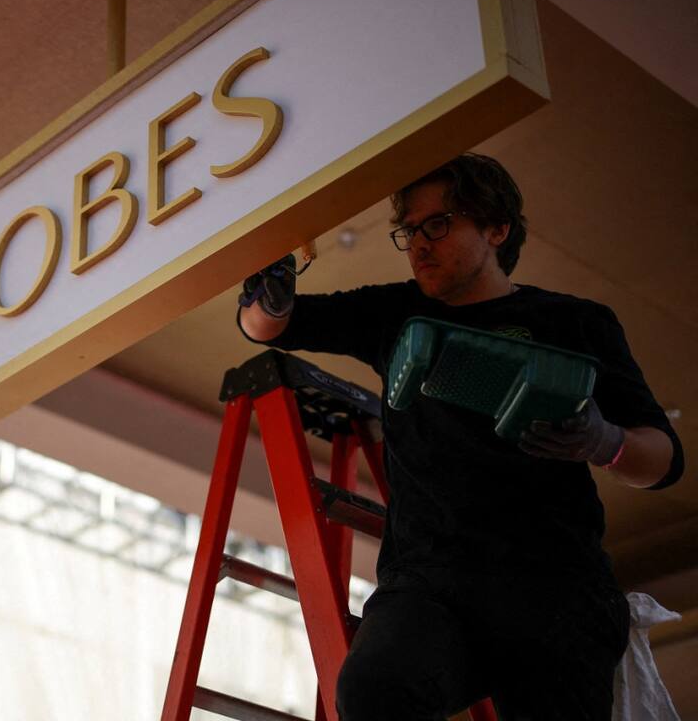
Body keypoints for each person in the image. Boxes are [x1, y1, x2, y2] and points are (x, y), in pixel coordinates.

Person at [236, 153, 684, 720]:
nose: (418, 242)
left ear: (496, 227)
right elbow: (268, 327)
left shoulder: (573, 322)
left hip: (556, 588)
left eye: (438, 224)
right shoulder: (395, 313)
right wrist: (270, 295)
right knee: (373, 688)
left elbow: (663, 460)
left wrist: (605, 442)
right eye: (409, 230)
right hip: (430, 583)